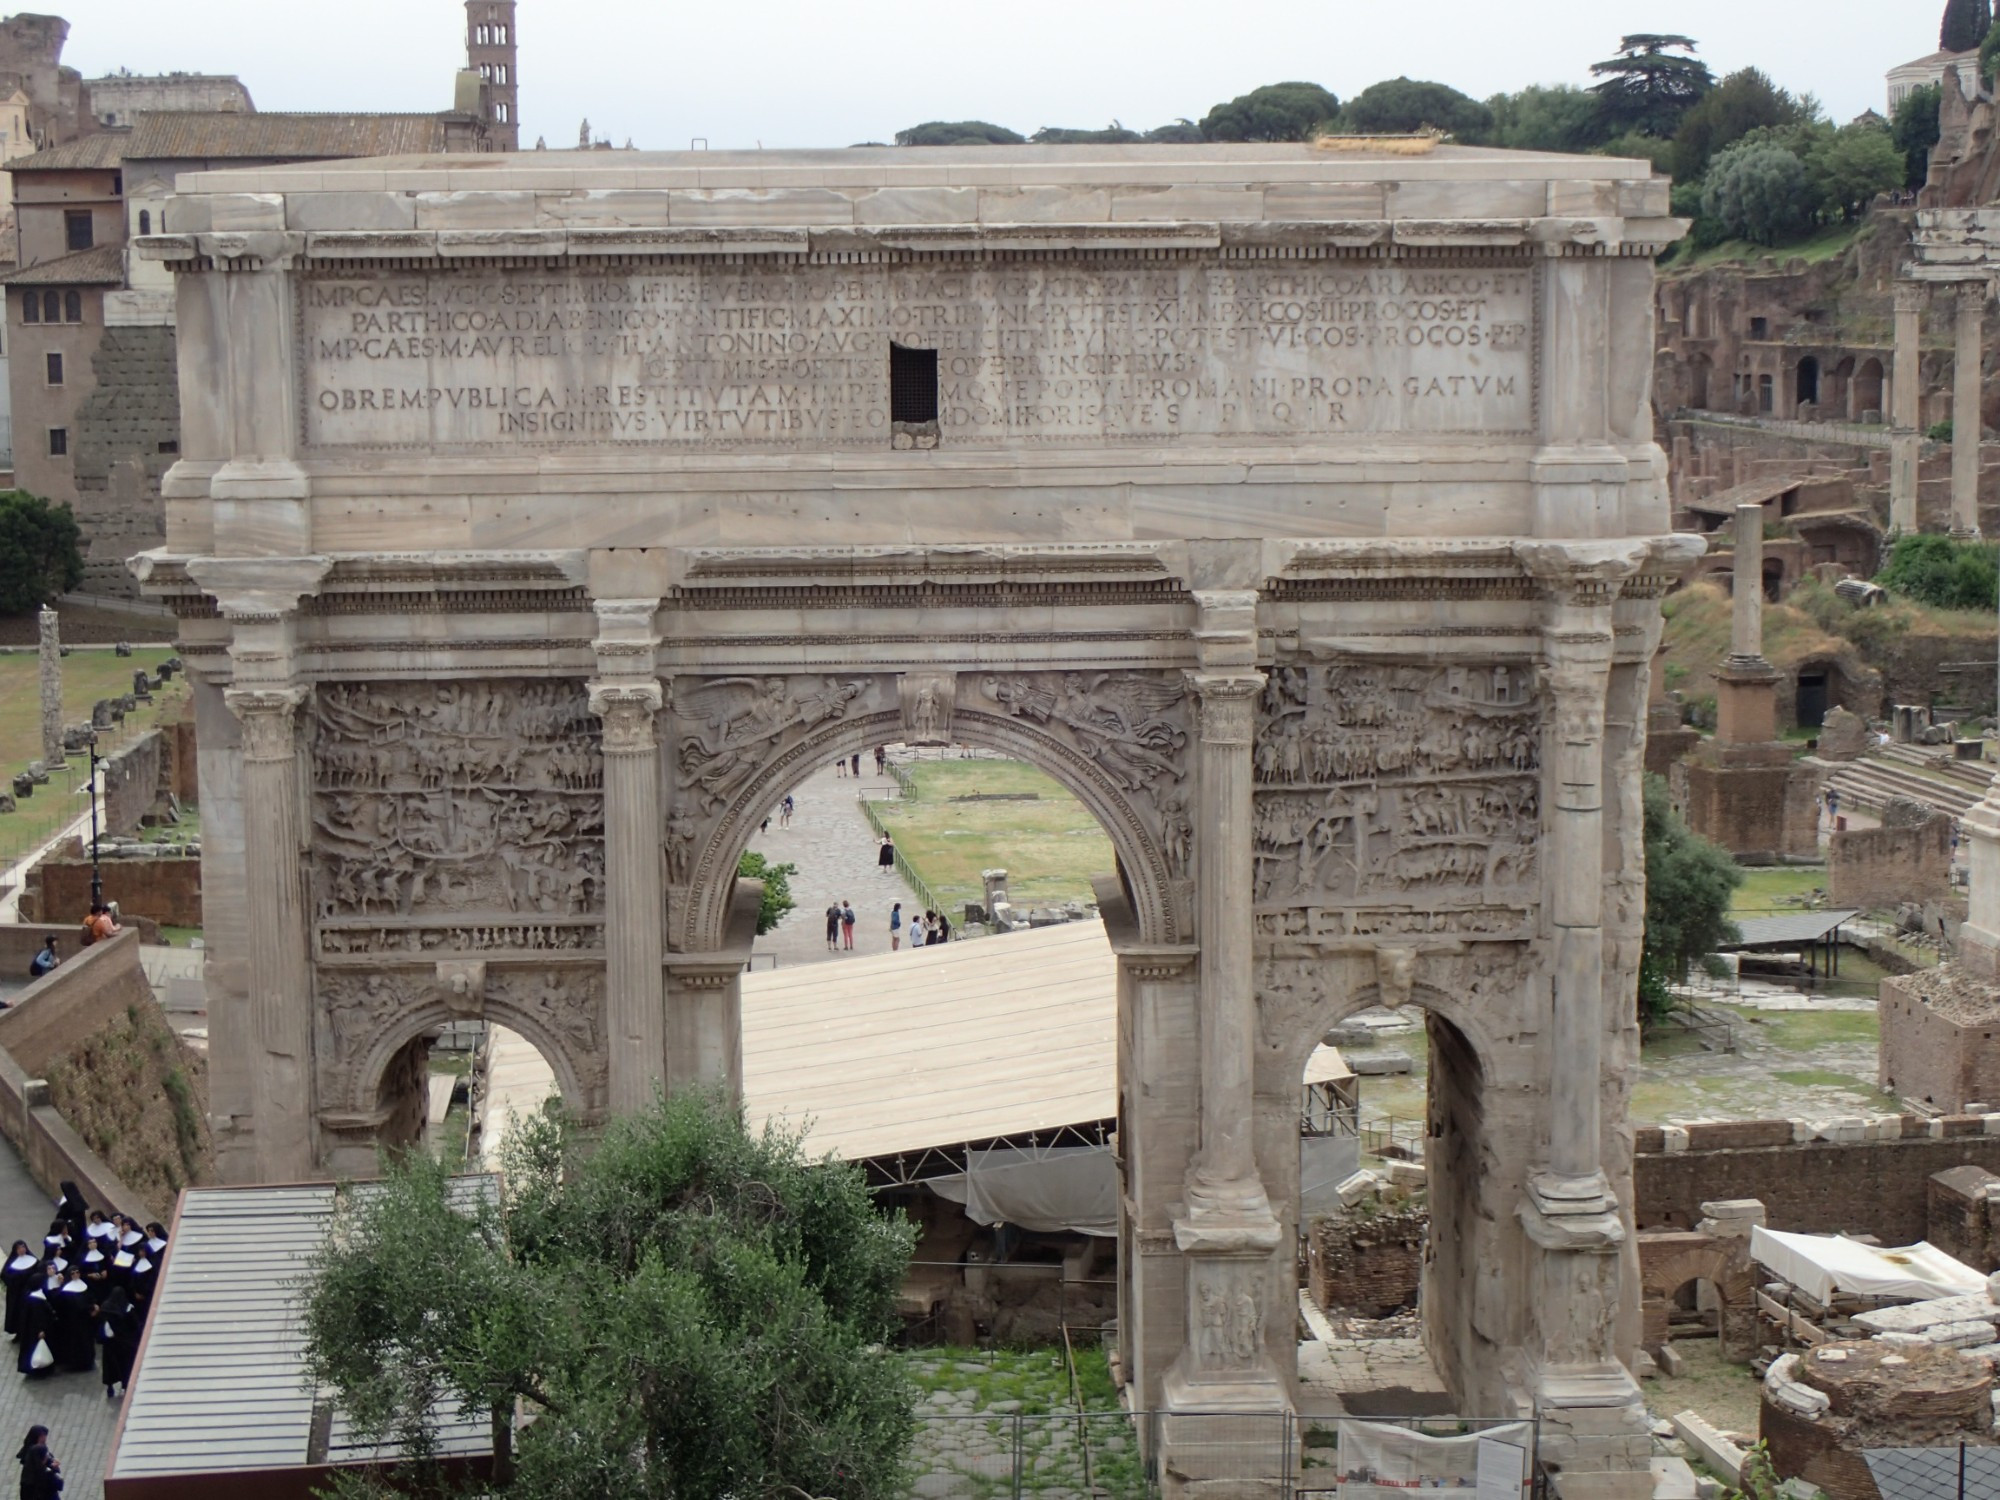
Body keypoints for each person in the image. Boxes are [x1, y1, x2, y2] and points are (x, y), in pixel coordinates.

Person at [96, 1285, 137, 1401]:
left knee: (110, 1367)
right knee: (124, 1366)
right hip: (123, 1343)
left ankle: (110, 1387)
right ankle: (125, 1385)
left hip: (109, 1344)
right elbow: (134, 1325)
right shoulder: (127, 1308)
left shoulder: (105, 1307)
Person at [51, 1270, 91, 1374]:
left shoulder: (84, 1285)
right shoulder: (66, 1290)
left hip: (83, 1321)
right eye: (73, 1273)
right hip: (71, 1322)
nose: (76, 1275)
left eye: (78, 1272)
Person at [0, 1246, 35, 1342]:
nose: (22, 1250)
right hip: (17, 1295)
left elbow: (38, 1271)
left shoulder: (32, 1259)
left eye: (23, 1247)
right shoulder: (12, 1262)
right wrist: (14, 1283)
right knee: (18, 1315)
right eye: (19, 1248)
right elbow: (4, 1275)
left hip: (29, 1293)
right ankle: (19, 1335)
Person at [15, 1425, 59, 1500]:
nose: (44, 1439)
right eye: (42, 1437)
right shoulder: (34, 1452)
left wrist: (52, 1465)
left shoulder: (39, 1449)